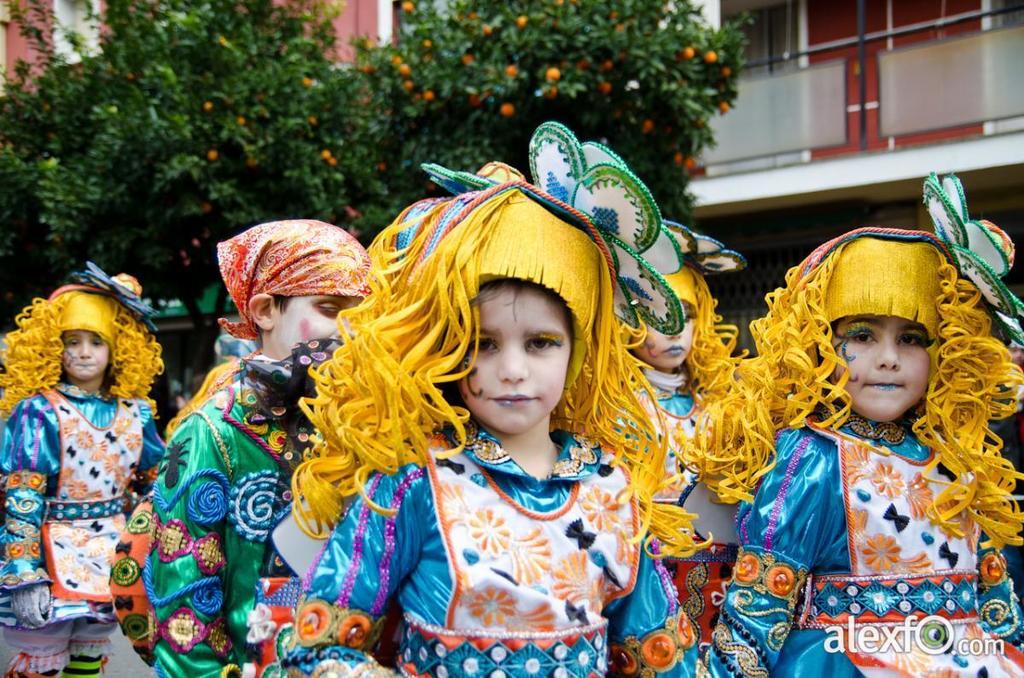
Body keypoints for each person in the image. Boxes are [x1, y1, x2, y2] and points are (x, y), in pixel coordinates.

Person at [284, 122, 704, 677]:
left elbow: (661, 657)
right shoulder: (413, 484)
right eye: (482, 343)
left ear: (578, 353)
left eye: (541, 343)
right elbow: (316, 650)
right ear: (446, 347)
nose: (512, 370)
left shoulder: (612, 489)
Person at [688, 173, 1024, 675]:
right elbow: (756, 622)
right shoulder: (812, 458)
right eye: (863, 335)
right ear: (818, 343)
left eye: (912, 338)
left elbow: (999, 612)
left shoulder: (957, 458)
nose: (889, 359)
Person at [137, 220, 371, 677]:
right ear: (265, 311)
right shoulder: (212, 432)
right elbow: (185, 609)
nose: (349, 330)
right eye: (329, 307)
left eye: (361, 313)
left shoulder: (366, 422)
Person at [0, 264, 165, 678]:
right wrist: (23, 573)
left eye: (97, 341)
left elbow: (158, 489)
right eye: (72, 341)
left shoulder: (136, 413)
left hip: (113, 555)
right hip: (48, 555)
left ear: (119, 349)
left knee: (90, 656)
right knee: (40, 661)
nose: (84, 352)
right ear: (52, 347)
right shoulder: (37, 412)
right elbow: (22, 497)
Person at [632, 225, 746, 652]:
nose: (676, 328)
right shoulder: (614, 404)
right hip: (651, 573)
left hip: (722, 577)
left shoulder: (722, 400)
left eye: (687, 312)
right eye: (658, 314)